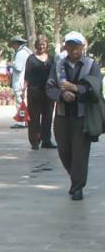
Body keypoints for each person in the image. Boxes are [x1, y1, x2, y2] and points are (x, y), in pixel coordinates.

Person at [46, 31, 102, 201]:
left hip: (82, 117)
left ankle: (77, 187)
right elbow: (49, 88)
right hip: (62, 115)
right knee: (64, 151)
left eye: (76, 46)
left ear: (83, 46)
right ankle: (75, 177)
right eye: (70, 46)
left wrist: (76, 89)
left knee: (80, 153)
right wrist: (62, 95)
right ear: (65, 47)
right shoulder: (58, 65)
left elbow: (96, 89)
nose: (73, 49)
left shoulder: (91, 65)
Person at [24, 34, 56, 150]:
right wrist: (23, 90)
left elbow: (55, 74)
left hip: (49, 92)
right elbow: (27, 75)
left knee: (48, 117)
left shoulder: (51, 58)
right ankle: (34, 141)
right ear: (36, 45)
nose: (41, 46)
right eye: (39, 44)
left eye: (43, 44)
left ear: (46, 45)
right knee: (34, 117)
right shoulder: (31, 59)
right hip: (34, 92)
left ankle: (46, 140)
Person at [9, 35, 32, 129]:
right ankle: (26, 120)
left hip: (20, 82)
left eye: (13, 44)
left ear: (16, 44)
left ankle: (22, 121)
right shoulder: (27, 51)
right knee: (25, 102)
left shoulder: (20, 53)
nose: (12, 46)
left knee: (20, 102)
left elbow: (18, 68)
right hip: (25, 81)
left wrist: (11, 64)